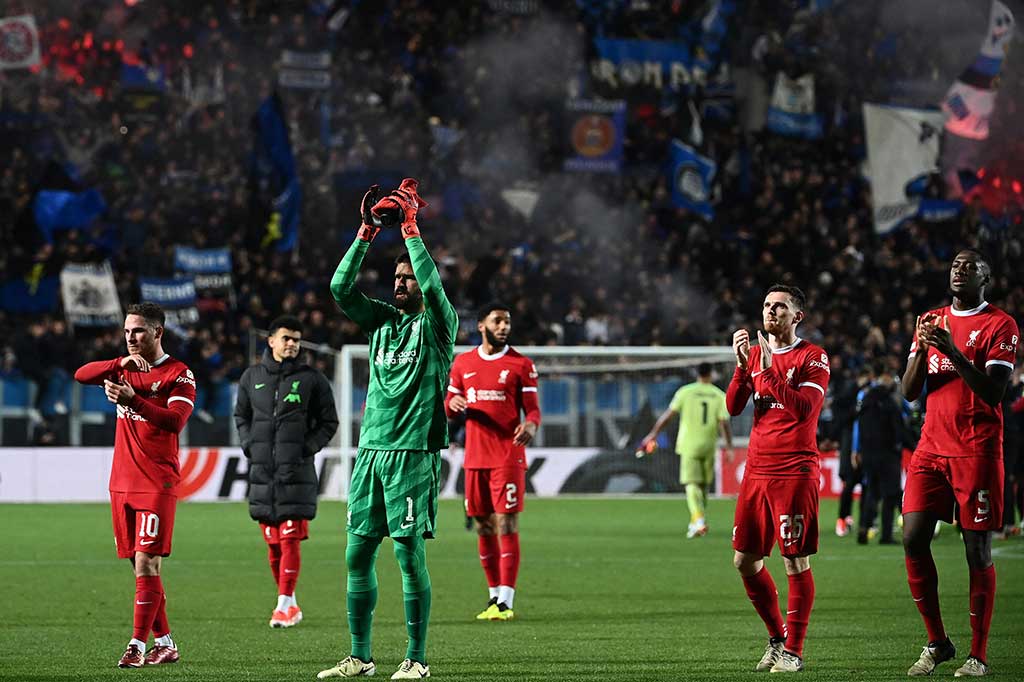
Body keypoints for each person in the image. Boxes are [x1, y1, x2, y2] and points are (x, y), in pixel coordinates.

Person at [318, 179, 458, 680]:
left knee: (407, 554)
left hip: (413, 452)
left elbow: (434, 288)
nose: (400, 284)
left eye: (408, 278)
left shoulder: (439, 327)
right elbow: (339, 289)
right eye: (396, 278)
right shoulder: (380, 321)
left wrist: (411, 229)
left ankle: (416, 659)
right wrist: (366, 232)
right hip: (371, 452)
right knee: (357, 553)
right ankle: (360, 656)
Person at [900, 249, 1018, 678]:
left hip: (977, 450)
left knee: (976, 550)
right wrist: (920, 350)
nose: (960, 270)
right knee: (912, 538)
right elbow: (909, 391)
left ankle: (978, 654)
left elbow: (994, 392)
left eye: (970, 266)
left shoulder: (1000, 324)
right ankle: (938, 642)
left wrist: (953, 351)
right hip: (931, 448)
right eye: (955, 265)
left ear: (985, 278)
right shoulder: (931, 320)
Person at [72, 302, 195, 668]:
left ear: (158, 332)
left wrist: (134, 401)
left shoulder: (179, 374)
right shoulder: (123, 367)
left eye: (138, 330)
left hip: (156, 481)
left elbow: (175, 421)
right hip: (121, 482)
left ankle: (136, 646)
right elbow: (80, 374)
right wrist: (118, 364)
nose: (131, 337)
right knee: (139, 567)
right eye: (127, 331)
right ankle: (166, 643)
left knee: (146, 563)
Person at [725, 284, 830, 674]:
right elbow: (733, 406)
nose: (771, 311)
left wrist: (767, 372)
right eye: (767, 305)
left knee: (795, 561)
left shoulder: (813, 356)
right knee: (744, 560)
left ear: (797, 316)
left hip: (793, 470)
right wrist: (742, 368)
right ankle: (776, 639)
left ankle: (794, 652)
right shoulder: (754, 355)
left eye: (780, 307)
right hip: (756, 470)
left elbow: (804, 410)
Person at [234, 314, 339, 628]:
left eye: (296, 339)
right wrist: (249, 445)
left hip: (296, 472)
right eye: (286, 338)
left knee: (290, 538)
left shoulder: (312, 379)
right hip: (263, 473)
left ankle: (282, 605)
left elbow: (329, 422)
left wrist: (305, 448)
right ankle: (290, 602)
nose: (292, 344)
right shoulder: (251, 377)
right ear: (271, 341)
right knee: (273, 544)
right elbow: (241, 416)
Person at [445, 301, 541, 621]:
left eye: (507, 322)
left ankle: (506, 601)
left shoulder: (521, 364)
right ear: (481, 325)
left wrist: (530, 426)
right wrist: (452, 403)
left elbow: (533, 411)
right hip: (475, 458)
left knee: (506, 522)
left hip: (507, 456)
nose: (504, 327)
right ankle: (493, 596)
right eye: (497, 321)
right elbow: (448, 404)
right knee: (483, 525)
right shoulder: (463, 363)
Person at [640, 362, 733, 538]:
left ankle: (698, 520)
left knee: (691, 484)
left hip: (689, 444)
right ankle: (697, 520)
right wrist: (729, 446)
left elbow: (668, 416)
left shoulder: (685, 392)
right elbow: (724, 423)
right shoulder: (719, 395)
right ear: (711, 374)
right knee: (704, 485)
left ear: (697, 374)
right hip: (709, 444)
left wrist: (652, 434)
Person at [851, 365, 905, 545]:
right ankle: (886, 535)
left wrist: (858, 450)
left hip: (869, 454)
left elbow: (859, 426)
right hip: (888, 454)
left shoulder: (866, 400)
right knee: (890, 494)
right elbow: (898, 430)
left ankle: (863, 528)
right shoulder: (890, 402)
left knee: (871, 492)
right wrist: (906, 445)